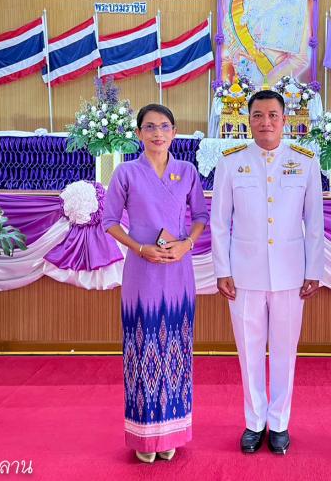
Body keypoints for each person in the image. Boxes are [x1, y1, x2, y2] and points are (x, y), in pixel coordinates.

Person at [211, 89, 324, 455]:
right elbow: (219, 222)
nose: (266, 122)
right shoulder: (231, 161)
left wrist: (314, 269)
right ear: (248, 120)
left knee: (284, 352)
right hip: (244, 275)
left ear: (285, 119)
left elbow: (315, 222)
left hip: (291, 274)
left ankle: (279, 423)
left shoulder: (305, 161)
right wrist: (222, 269)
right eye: (258, 115)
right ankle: (254, 421)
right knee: (249, 351)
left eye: (273, 115)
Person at [102, 104, 208, 464]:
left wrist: (186, 244)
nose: (157, 133)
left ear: (175, 132)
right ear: (139, 134)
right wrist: (139, 247)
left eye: (164, 126)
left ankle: (173, 432)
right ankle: (145, 435)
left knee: (176, 347)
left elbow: (200, 217)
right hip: (142, 269)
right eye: (149, 127)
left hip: (178, 269)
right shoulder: (126, 173)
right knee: (143, 346)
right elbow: (110, 220)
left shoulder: (187, 171)